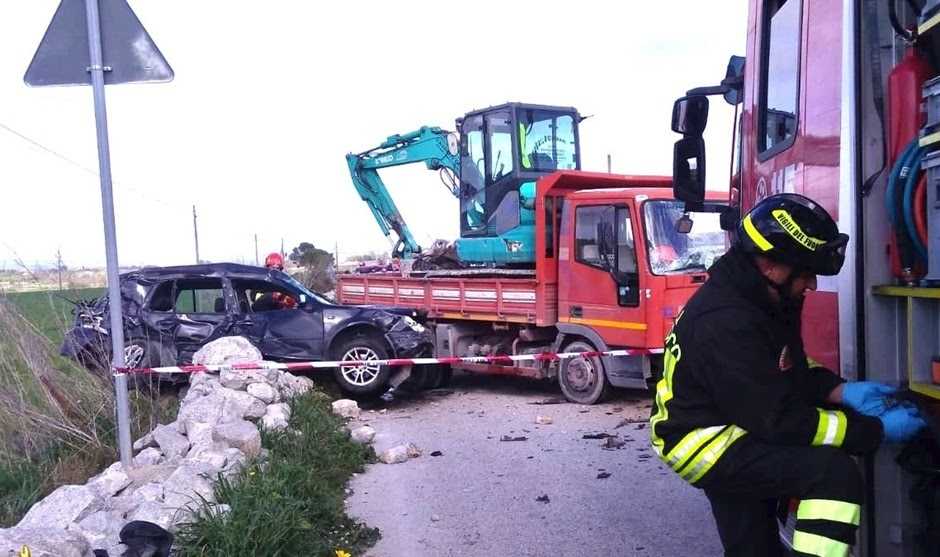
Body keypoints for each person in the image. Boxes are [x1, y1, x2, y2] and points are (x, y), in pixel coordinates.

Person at [650, 193, 928, 557]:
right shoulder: (725, 321)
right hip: (704, 442)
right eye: (806, 273)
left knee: (753, 549)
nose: (811, 285)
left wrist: (840, 392)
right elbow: (778, 420)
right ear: (769, 265)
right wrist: (874, 431)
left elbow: (787, 365)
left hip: (731, 421)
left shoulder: (762, 297)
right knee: (830, 472)